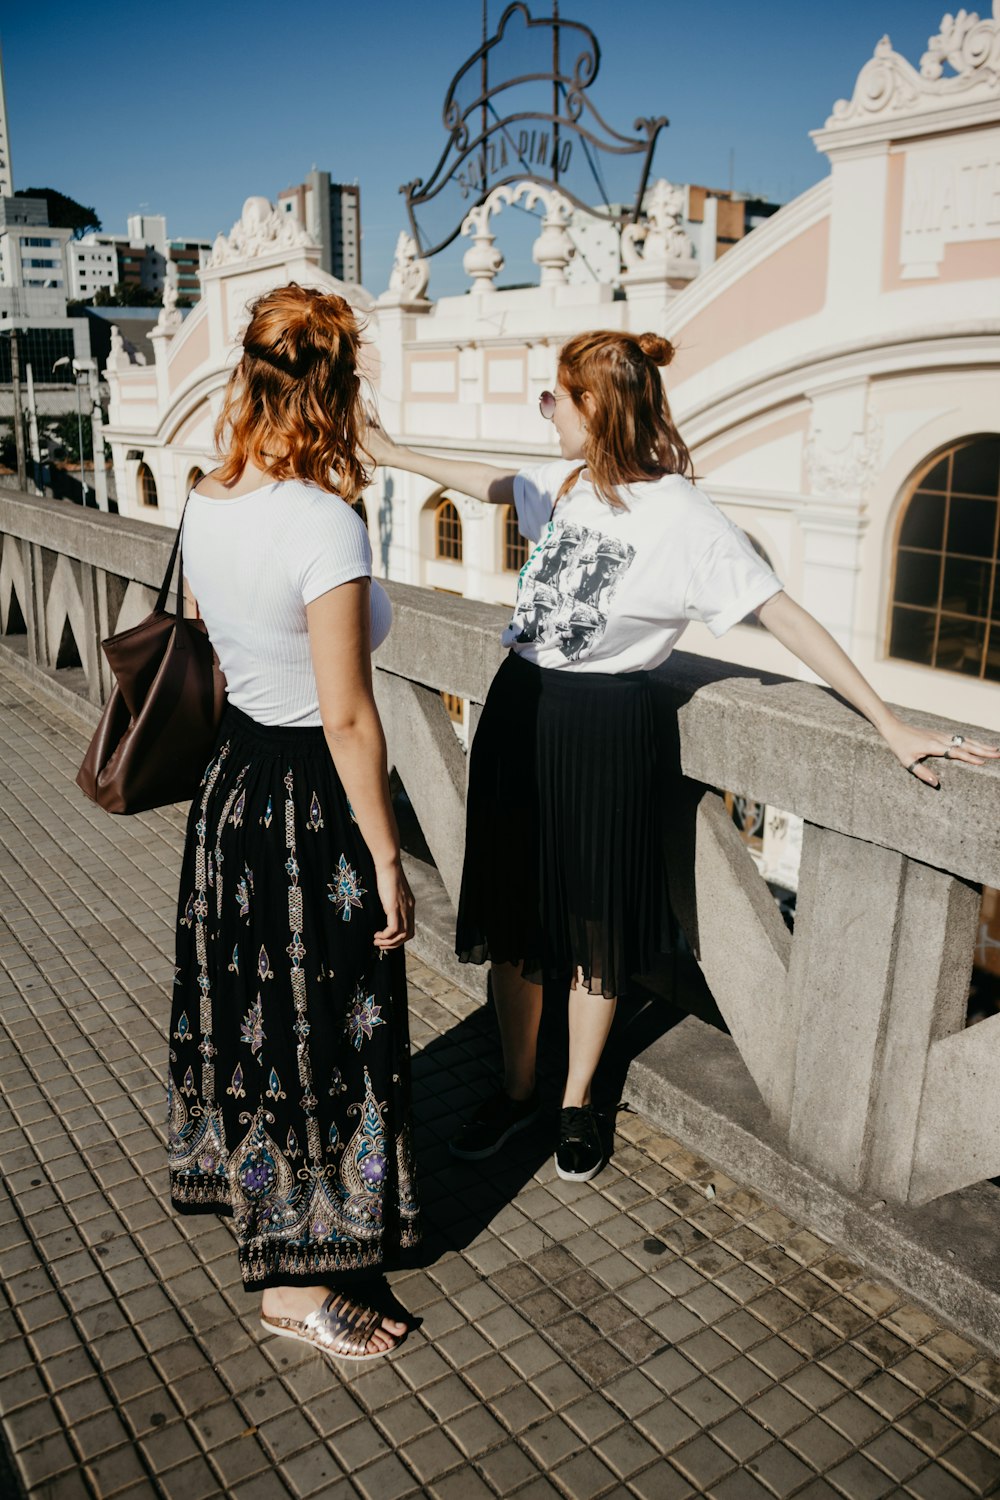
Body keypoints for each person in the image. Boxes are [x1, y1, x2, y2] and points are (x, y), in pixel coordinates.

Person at [366, 328, 998, 1185]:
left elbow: (784, 616)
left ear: (594, 409)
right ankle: (516, 1089)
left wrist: (887, 722)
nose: (547, 415)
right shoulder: (565, 485)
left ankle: (577, 1100)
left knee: (594, 923)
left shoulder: (685, 517)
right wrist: (388, 448)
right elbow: (488, 485)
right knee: (514, 918)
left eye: (556, 401)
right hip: (520, 707)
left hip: (604, 726)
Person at [168, 283, 419, 1362]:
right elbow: (349, 713)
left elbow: (205, 635)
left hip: (232, 789)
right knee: (319, 1034)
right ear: (335, 389)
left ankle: (277, 1212)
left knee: (257, 1020)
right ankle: (290, 1289)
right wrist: (389, 855)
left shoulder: (205, 500)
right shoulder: (325, 522)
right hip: (305, 803)